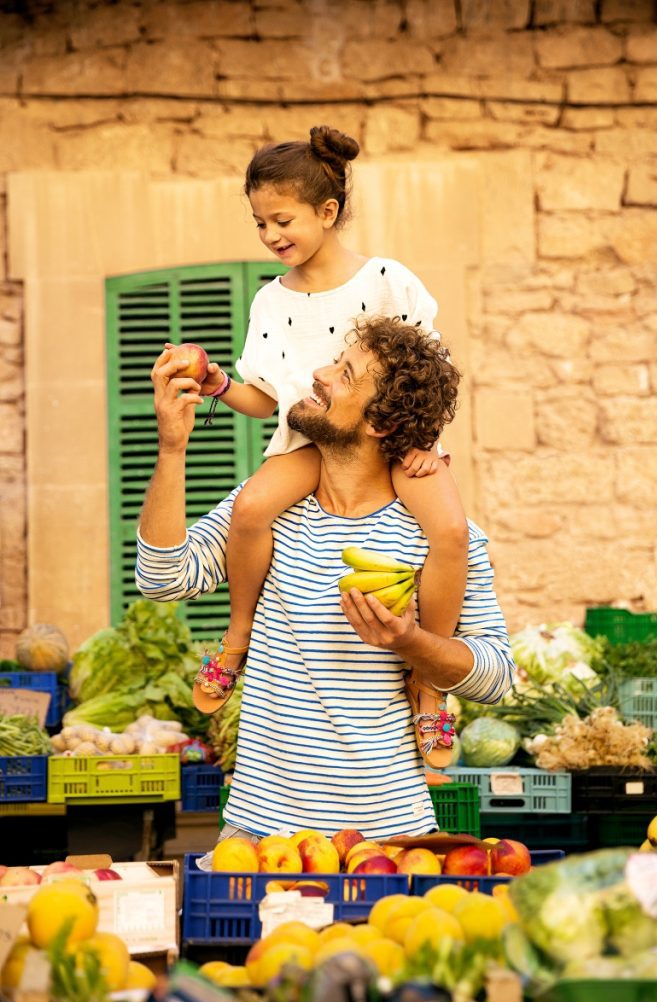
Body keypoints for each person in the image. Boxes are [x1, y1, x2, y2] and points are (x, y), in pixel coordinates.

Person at [137, 315, 514, 841]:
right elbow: (163, 579)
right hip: (259, 836)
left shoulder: (439, 534)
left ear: (379, 423)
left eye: (344, 373)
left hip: (392, 838)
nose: (317, 373)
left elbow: (498, 675)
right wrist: (172, 448)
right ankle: (233, 642)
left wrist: (415, 644)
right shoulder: (269, 510)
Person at [180, 125, 468, 763]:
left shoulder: (386, 280)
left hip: (398, 444)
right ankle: (238, 637)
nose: (270, 236)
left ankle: (428, 690)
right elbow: (266, 398)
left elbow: (431, 366)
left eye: (281, 219)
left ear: (327, 212)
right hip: (310, 445)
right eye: (259, 224)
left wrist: (427, 443)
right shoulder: (269, 302)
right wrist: (218, 383)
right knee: (250, 511)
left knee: (450, 536)